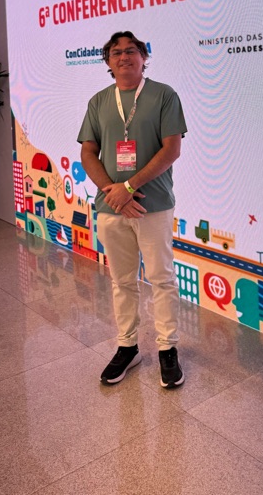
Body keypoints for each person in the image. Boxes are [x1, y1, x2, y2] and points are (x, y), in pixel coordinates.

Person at [77, 31, 187, 388]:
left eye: (131, 51)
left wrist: (128, 187)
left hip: (152, 206)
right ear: (108, 62)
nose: (123, 56)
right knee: (122, 281)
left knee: (162, 279)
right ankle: (127, 347)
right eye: (116, 52)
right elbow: (88, 152)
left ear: (143, 57)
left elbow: (171, 149)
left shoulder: (164, 95)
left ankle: (167, 348)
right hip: (111, 208)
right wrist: (113, 192)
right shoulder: (98, 101)